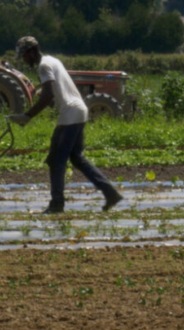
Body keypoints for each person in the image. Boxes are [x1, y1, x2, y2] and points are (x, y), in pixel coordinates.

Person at [7, 36, 123, 214]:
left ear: (31, 52)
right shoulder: (52, 60)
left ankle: (57, 204)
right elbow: (55, 91)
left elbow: (48, 96)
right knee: (76, 157)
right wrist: (44, 94)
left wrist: (27, 116)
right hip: (79, 110)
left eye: (24, 55)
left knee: (56, 160)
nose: (24, 60)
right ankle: (110, 193)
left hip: (70, 115)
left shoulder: (43, 66)